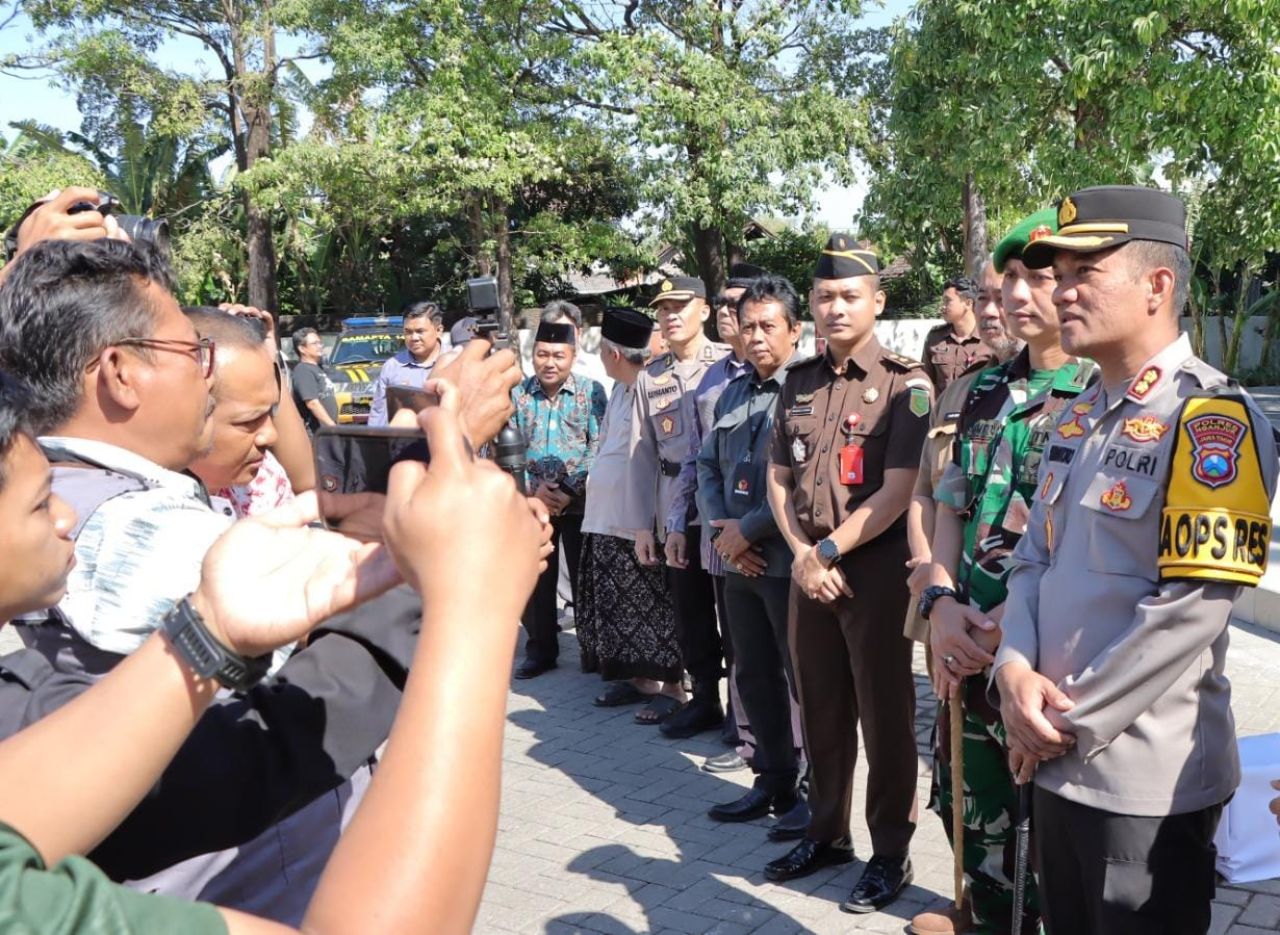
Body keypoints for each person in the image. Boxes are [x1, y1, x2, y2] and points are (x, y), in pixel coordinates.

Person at [0, 237, 533, 913]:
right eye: (192, 352)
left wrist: (212, 631)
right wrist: (464, 586)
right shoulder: (142, 530)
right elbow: (293, 715)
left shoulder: (89, 488)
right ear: (120, 372)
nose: (207, 373)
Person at [994, 186, 1278, 935]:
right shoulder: (1078, 412)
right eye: (1059, 271)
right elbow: (1033, 561)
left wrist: (1060, 723)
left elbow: (1193, 609)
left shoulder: (1210, 419)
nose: (1062, 288)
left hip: (1141, 782)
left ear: (1157, 286)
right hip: (1054, 756)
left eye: (1085, 269)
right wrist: (1013, 668)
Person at [911, 208, 1098, 935]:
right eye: (1009, 280)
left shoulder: (1100, 396)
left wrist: (1009, 641)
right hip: (965, 642)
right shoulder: (976, 391)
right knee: (971, 810)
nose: (1015, 296)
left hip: (1042, 662)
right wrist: (940, 599)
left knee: (1053, 843)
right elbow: (949, 506)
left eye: (1038, 278)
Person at [763, 234, 930, 916]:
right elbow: (778, 478)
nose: (836, 307)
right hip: (810, 572)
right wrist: (803, 554)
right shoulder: (798, 381)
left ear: (878, 302)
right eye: (825, 296)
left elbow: (898, 490)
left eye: (850, 296)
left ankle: (890, 848)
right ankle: (827, 831)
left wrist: (826, 551)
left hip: (876, 571)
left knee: (885, 715)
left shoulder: (906, 383)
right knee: (822, 709)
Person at [697, 274, 809, 836]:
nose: (757, 337)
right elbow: (705, 466)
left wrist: (747, 531)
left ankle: (816, 791)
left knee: (803, 681)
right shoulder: (732, 392)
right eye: (749, 327)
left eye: (769, 326)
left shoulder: (807, 390)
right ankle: (772, 778)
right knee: (754, 675)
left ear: (795, 329)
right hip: (738, 561)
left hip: (785, 562)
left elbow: (806, 480)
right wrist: (724, 533)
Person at [621, 275, 730, 732]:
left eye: (680, 305)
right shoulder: (652, 375)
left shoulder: (727, 363)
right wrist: (642, 527)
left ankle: (744, 710)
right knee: (689, 611)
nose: (670, 315)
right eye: (663, 308)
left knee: (736, 613)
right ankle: (705, 699)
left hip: (723, 506)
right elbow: (640, 453)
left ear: (704, 310)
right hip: (675, 508)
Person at [665, 262, 760, 763]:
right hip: (717, 529)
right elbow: (695, 461)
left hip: (769, 530)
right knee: (732, 633)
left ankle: (762, 739)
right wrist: (679, 522)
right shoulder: (710, 382)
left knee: (767, 648)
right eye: (722, 303)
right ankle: (740, 729)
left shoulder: (790, 373)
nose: (729, 311)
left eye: (737, 302)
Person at [903, 257, 1023, 648]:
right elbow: (926, 489)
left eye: (1001, 298)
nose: (989, 311)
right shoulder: (964, 391)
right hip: (946, 601)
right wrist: (930, 570)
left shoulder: (1083, 391)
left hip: (1021, 620)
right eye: (982, 298)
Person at [577, 307, 683, 708]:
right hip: (606, 519)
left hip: (637, 520)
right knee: (623, 608)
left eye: (602, 350)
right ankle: (641, 679)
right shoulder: (620, 388)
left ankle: (673, 687)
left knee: (654, 606)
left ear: (613, 354)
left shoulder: (655, 386)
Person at [509, 319, 608, 678]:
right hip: (533, 505)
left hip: (580, 503)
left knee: (586, 577)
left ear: (573, 355)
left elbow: (599, 446)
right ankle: (540, 650)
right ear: (532, 354)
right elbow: (509, 451)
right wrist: (533, 491)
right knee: (537, 578)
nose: (549, 362)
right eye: (542, 354)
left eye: (558, 355)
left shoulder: (591, 392)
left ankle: (592, 648)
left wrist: (568, 491)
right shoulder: (518, 395)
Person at [367, 300, 444, 427]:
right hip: (403, 443)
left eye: (420, 331)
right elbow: (379, 415)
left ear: (439, 330)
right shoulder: (392, 367)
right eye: (408, 332)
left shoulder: (455, 363)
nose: (414, 338)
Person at [921, 277, 994, 394]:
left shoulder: (990, 338)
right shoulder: (935, 338)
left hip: (979, 409)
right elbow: (926, 381)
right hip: (942, 409)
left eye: (947, 301)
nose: (942, 306)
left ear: (968, 303)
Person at [291, 327, 338, 432]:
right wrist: (332, 427)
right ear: (302, 349)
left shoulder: (318, 368)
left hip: (326, 431)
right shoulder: (303, 370)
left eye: (320, 343)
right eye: (314, 343)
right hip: (316, 434)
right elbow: (312, 403)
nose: (320, 346)